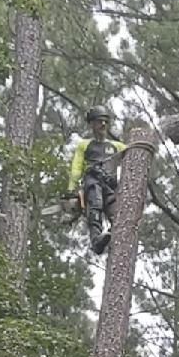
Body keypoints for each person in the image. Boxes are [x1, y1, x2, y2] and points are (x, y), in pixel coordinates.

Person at [67, 107, 127, 255]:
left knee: (116, 211)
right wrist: (71, 189)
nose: (103, 124)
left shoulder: (117, 146)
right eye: (99, 121)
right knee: (95, 204)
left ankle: (119, 240)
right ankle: (96, 240)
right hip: (93, 181)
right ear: (92, 124)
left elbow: (135, 152)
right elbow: (76, 167)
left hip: (110, 185)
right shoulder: (85, 145)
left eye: (106, 121)